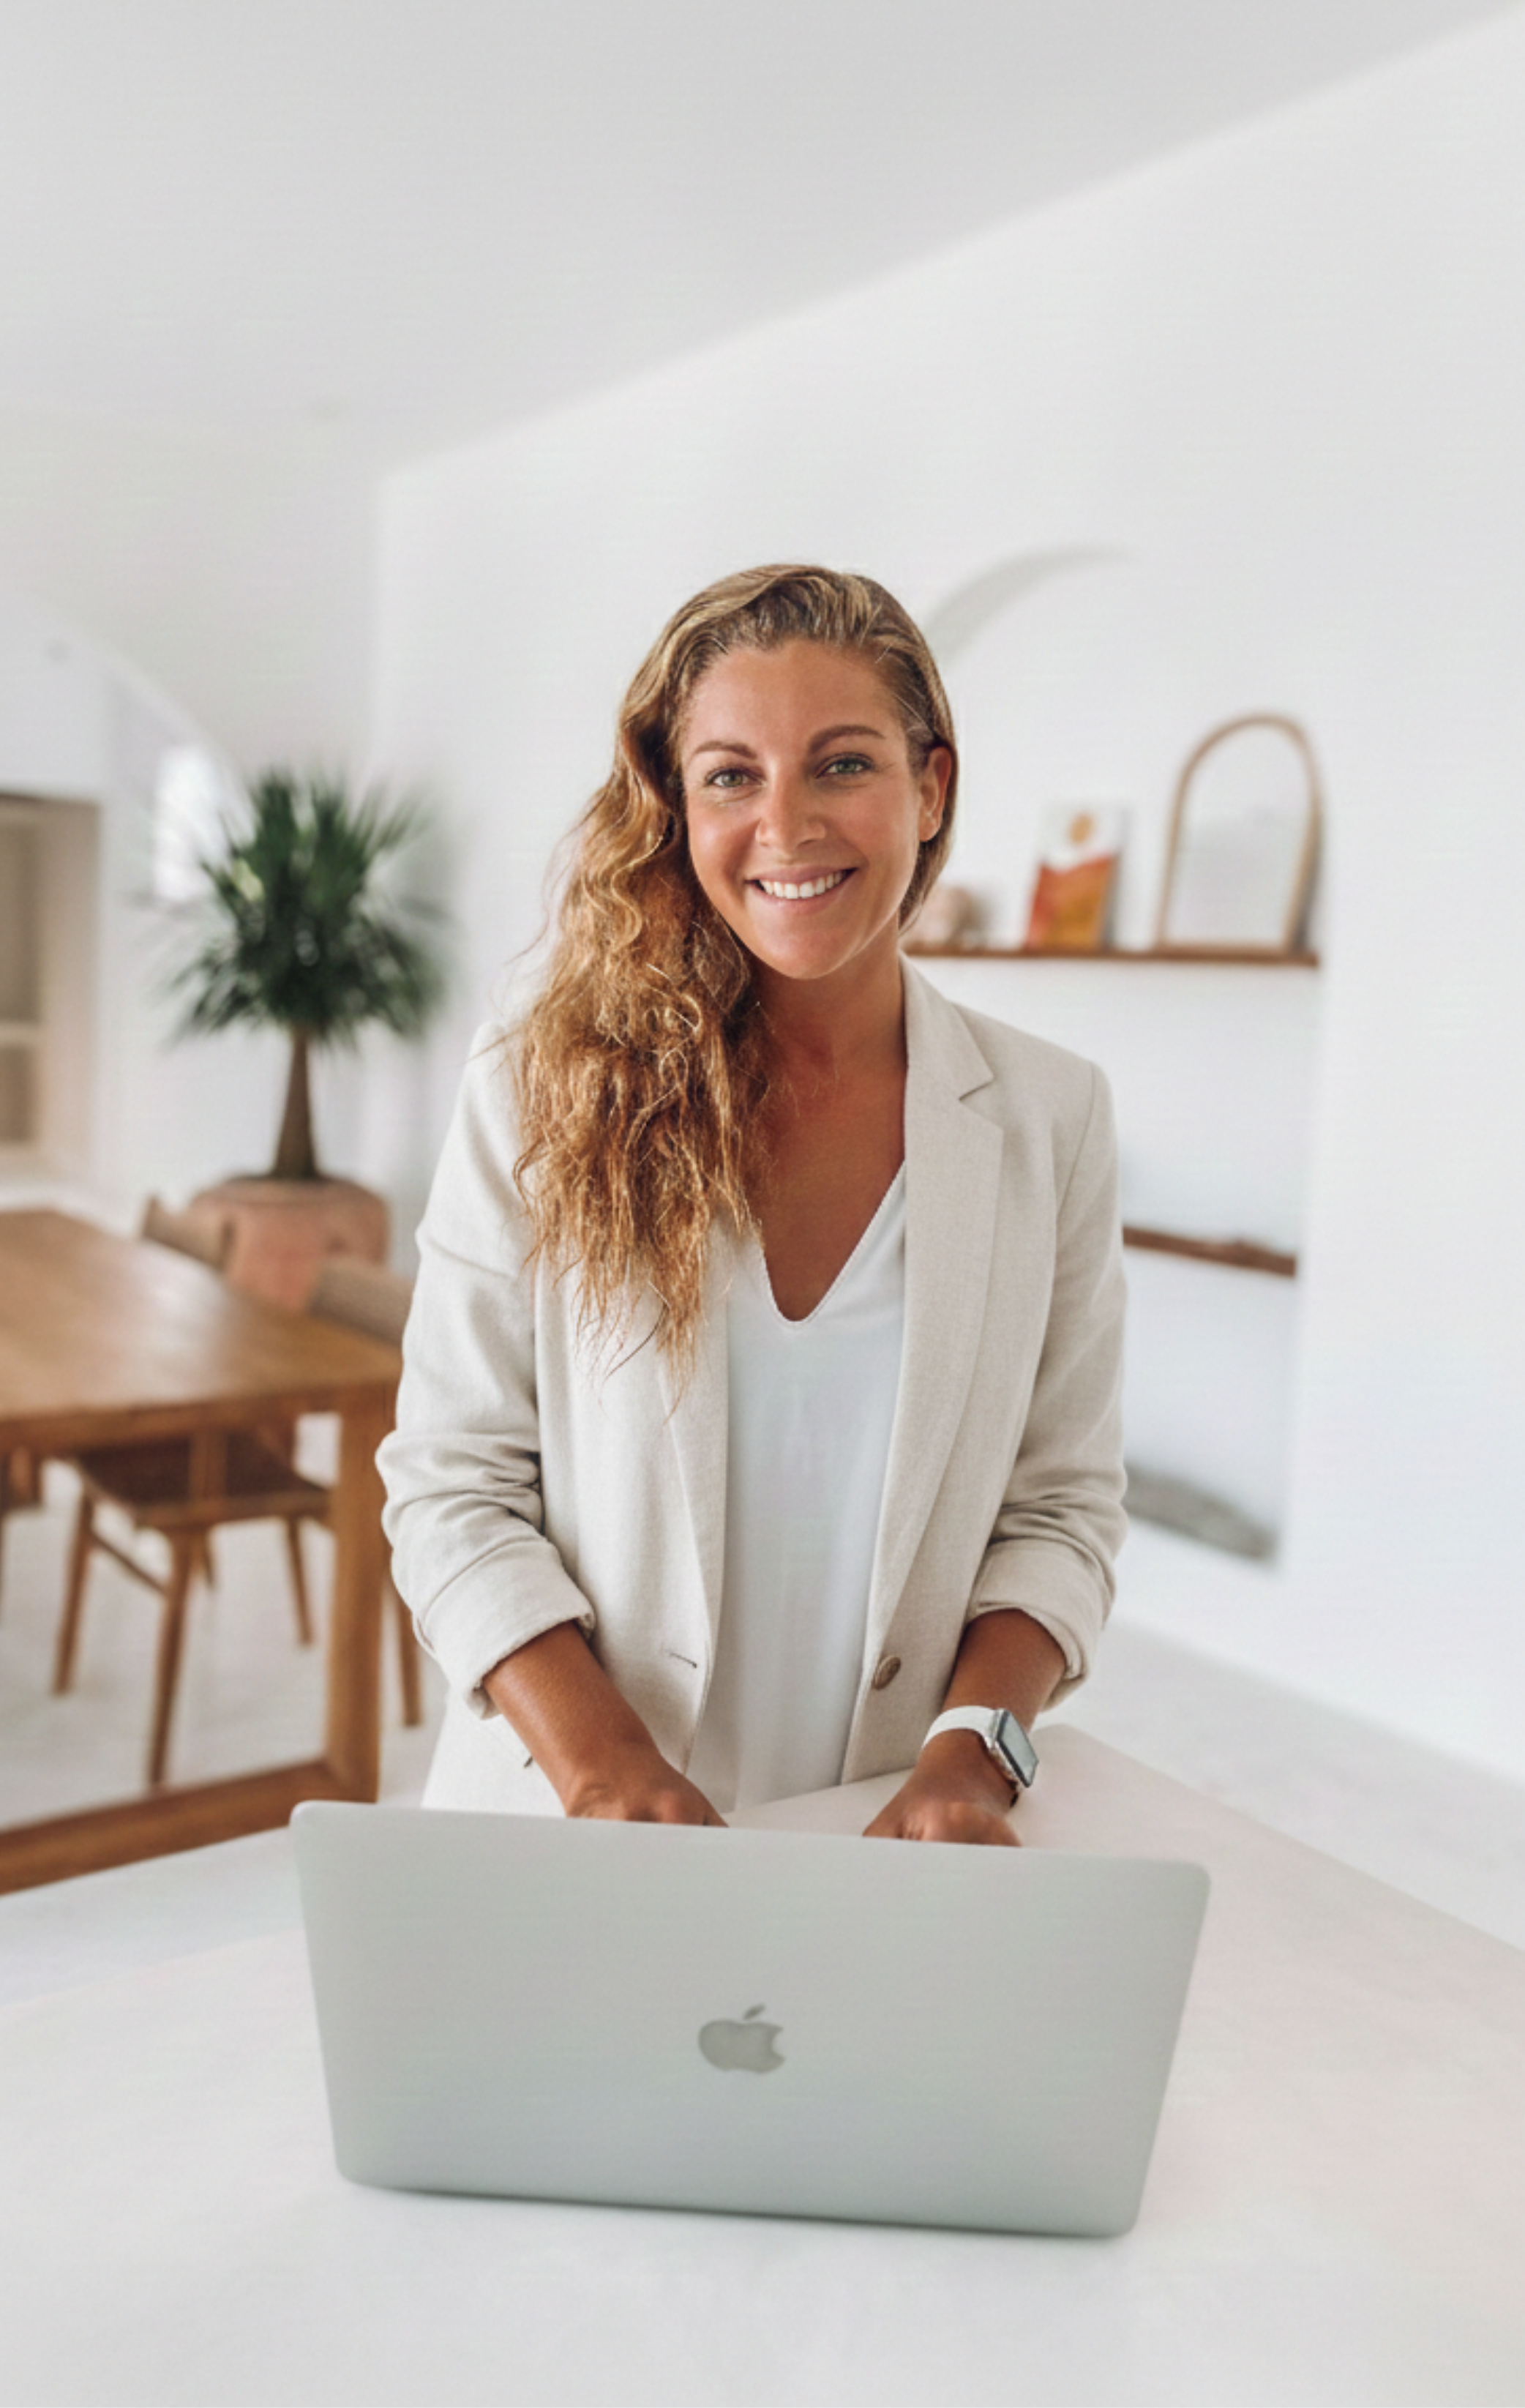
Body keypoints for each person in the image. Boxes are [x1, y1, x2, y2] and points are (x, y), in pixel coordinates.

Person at [379, 564, 1125, 1844]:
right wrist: (604, 1768)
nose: (787, 824)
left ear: (929, 785)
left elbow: (1061, 1508)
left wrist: (974, 1755)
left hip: (886, 1842)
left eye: (843, 764)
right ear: (675, 803)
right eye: (731, 774)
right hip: (564, 1827)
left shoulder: (1049, 1118)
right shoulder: (543, 1083)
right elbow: (451, 1482)